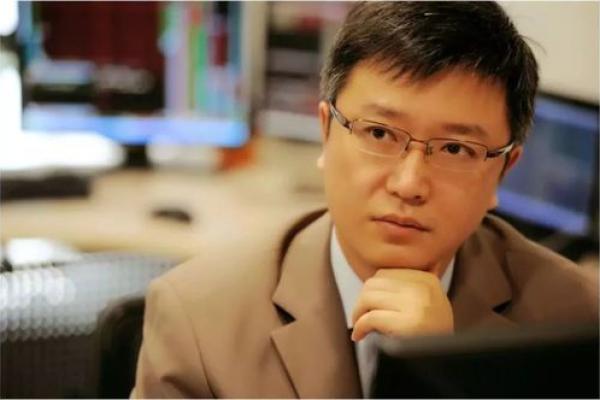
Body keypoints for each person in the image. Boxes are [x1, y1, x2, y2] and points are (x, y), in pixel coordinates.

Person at [132, 2, 598, 398]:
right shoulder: (198, 318)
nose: (409, 184)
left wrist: (439, 375)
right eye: (378, 133)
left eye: (456, 149)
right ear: (326, 132)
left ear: (504, 170)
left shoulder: (575, 320)